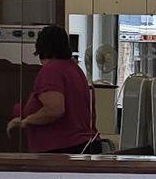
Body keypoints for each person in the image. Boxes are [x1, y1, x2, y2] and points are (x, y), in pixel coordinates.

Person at [9, 23, 95, 153]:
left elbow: (55, 109)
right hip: (80, 145)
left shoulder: (52, 70)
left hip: (60, 148)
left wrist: (27, 120)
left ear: (41, 48)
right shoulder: (75, 69)